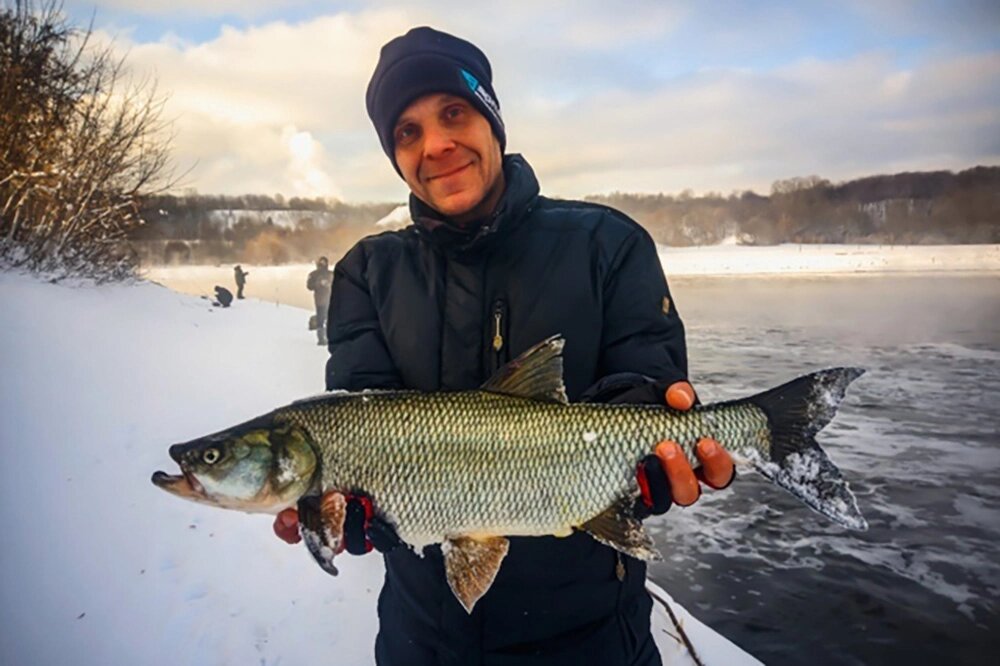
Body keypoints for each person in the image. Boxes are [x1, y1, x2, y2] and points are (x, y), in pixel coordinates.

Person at [272, 27, 735, 666]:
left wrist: (646, 453)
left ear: (492, 117)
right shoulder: (366, 273)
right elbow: (362, 417)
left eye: (453, 113)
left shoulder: (608, 244)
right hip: (423, 640)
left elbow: (645, 383)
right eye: (407, 132)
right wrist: (348, 510)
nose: (435, 144)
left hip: (595, 640)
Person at [306, 256, 333, 345]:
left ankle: (331, 337)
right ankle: (321, 339)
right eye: (321, 263)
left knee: (331, 318)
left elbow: (340, 285)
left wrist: (329, 284)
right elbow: (309, 286)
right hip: (320, 300)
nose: (322, 265)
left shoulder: (331, 274)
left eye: (324, 262)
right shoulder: (313, 274)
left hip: (331, 300)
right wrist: (319, 284)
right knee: (321, 318)